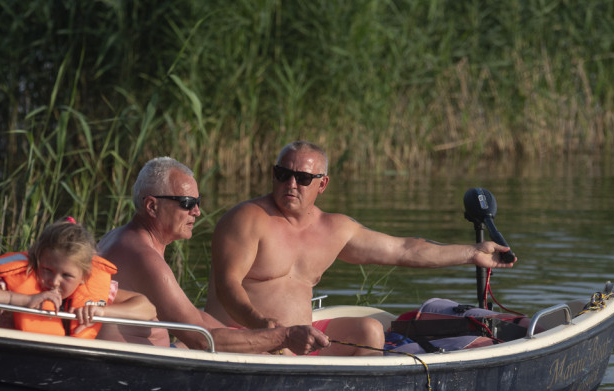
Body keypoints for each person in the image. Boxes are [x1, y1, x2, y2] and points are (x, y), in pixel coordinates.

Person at [205, 140, 517, 355]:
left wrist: (472, 253)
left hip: (299, 343)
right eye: (282, 174)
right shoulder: (247, 219)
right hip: (242, 339)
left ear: (322, 184)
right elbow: (227, 286)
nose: (291, 184)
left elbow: (403, 250)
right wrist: (265, 328)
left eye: (302, 178)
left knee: (369, 331)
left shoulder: (335, 229)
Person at [97, 157, 330, 354]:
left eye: (197, 203)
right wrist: (284, 337)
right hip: (141, 372)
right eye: (187, 203)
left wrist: (261, 337)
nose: (197, 212)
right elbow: (202, 338)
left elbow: (192, 316)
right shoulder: (144, 257)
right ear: (151, 206)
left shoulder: (118, 237)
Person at [0, 219, 156, 338]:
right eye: (48, 269)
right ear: (37, 260)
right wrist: (24, 300)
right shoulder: (20, 278)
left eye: (66, 275)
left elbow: (147, 309)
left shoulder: (91, 288)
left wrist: (102, 310)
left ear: (84, 276)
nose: (54, 281)